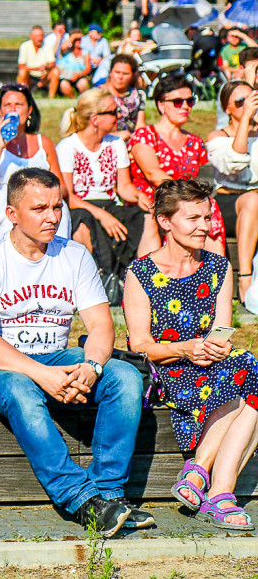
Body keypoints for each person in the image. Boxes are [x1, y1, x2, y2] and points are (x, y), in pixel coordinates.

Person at [0, 168, 148, 537]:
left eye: (57, 207)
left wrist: (92, 366)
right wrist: (42, 375)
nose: (52, 217)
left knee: (125, 377)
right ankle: (79, 498)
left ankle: (108, 494)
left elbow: (100, 326)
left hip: (56, 357)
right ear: (12, 214)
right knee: (21, 389)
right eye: (39, 208)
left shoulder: (73, 255)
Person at [123, 179, 258, 531]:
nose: (205, 226)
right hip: (169, 368)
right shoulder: (141, 273)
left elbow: (223, 332)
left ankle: (204, 479)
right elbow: (139, 345)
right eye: (193, 218)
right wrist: (184, 348)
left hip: (212, 365)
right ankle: (217, 489)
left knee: (245, 364)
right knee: (247, 382)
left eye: (207, 217)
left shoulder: (218, 267)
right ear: (165, 221)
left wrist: (217, 347)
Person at [57, 89, 146, 288]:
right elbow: (68, 196)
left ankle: (142, 283)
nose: (119, 116)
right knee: (82, 223)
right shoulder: (67, 147)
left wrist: (141, 197)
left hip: (109, 203)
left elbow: (124, 187)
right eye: (113, 112)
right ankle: (90, 283)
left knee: (143, 217)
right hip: (80, 206)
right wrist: (101, 215)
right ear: (95, 118)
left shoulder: (115, 144)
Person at [129, 74, 224, 255]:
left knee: (209, 207)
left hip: (190, 204)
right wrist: (186, 196)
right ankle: (150, 278)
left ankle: (213, 273)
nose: (186, 107)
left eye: (190, 101)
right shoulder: (146, 136)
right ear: (161, 105)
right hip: (154, 200)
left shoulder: (195, 141)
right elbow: (153, 174)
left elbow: (205, 176)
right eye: (178, 102)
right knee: (161, 216)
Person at [0, 83, 69, 239]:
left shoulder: (43, 143)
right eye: (7, 105)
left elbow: (62, 188)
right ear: (0, 111)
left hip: (37, 204)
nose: (13, 109)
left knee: (59, 210)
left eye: (18, 105)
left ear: (29, 110)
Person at [207, 81, 258, 301]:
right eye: (240, 102)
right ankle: (245, 278)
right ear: (227, 108)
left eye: (251, 100)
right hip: (228, 203)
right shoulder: (218, 137)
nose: (247, 105)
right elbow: (234, 164)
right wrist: (246, 120)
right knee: (251, 200)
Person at [104, 54, 147, 138]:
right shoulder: (98, 95)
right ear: (111, 73)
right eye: (117, 72)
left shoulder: (137, 96)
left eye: (125, 74)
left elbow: (140, 126)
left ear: (132, 75)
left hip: (131, 139)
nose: (120, 77)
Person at [17, 26, 59, 97]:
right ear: (31, 37)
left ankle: (51, 98)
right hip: (29, 76)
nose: (40, 38)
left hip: (43, 77)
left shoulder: (48, 46)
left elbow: (52, 63)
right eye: (37, 36)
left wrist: (46, 67)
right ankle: (21, 96)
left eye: (42, 36)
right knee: (22, 72)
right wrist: (35, 69)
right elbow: (21, 66)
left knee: (56, 71)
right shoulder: (24, 46)